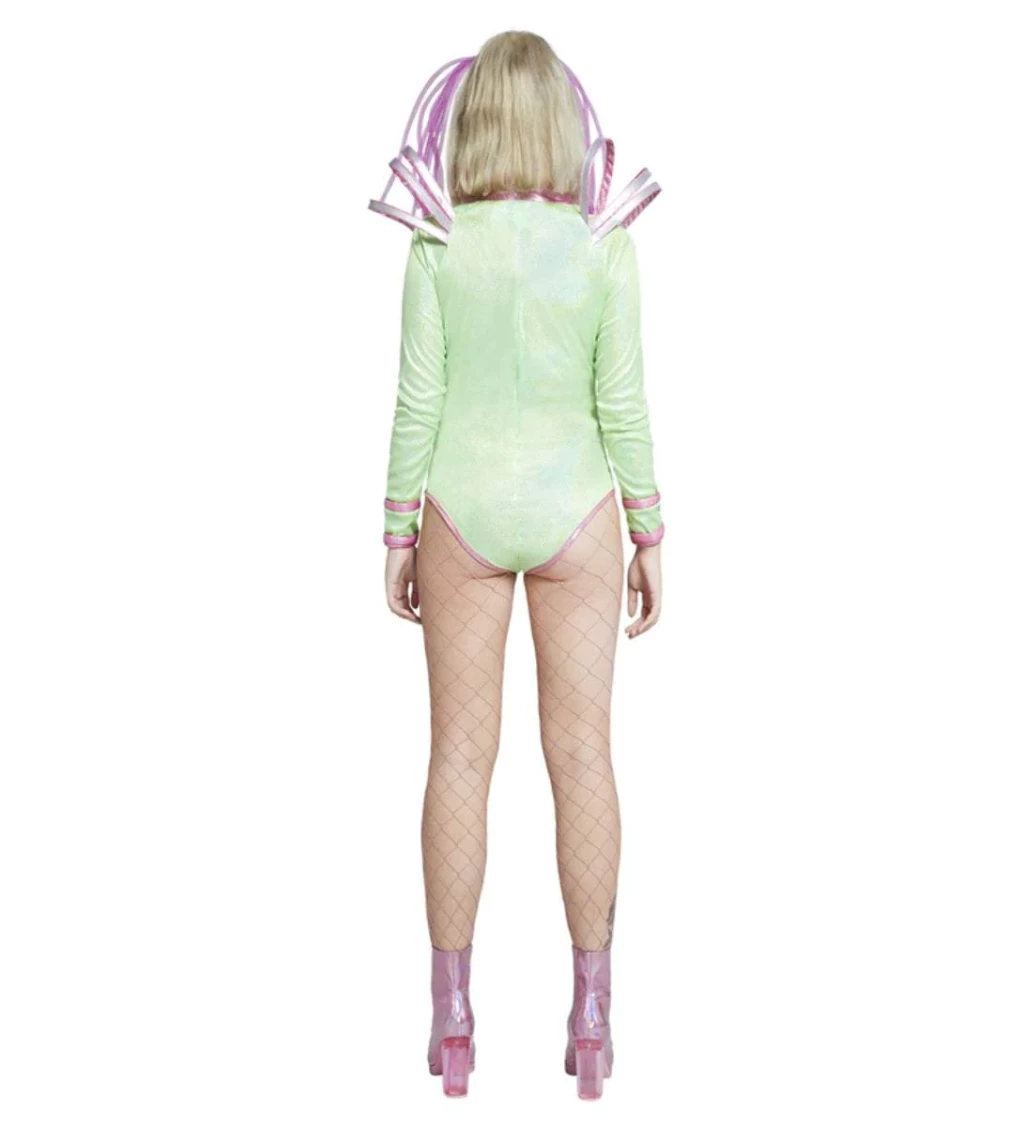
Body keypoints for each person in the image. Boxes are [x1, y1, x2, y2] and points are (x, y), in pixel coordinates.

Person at [369, 31, 664, 1100]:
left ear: (471, 119)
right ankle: (592, 1020)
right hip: (578, 511)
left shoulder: (437, 244)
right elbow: (621, 402)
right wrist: (649, 529)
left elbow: (419, 400)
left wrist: (398, 530)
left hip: (463, 510)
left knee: (459, 758)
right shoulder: (601, 244)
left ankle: (453, 1023)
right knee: (582, 758)